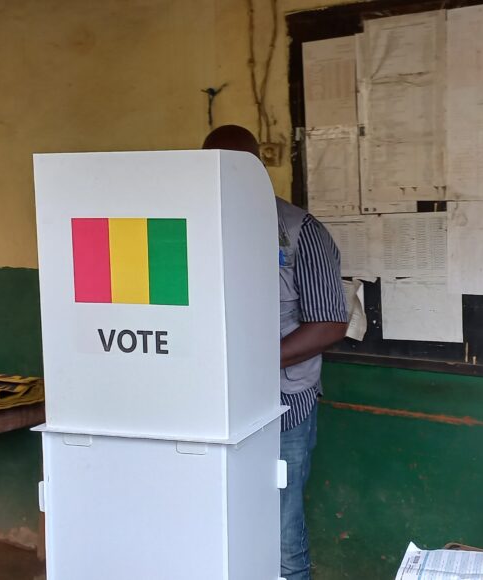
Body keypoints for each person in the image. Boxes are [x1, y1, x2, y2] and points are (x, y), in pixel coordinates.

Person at [202, 125, 348, 580]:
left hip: (282, 408)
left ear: (257, 171)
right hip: (209, 409)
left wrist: (248, 363)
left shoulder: (300, 232)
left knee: (281, 531)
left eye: (235, 168)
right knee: (214, 527)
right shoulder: (191, 226)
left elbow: (329, 324)